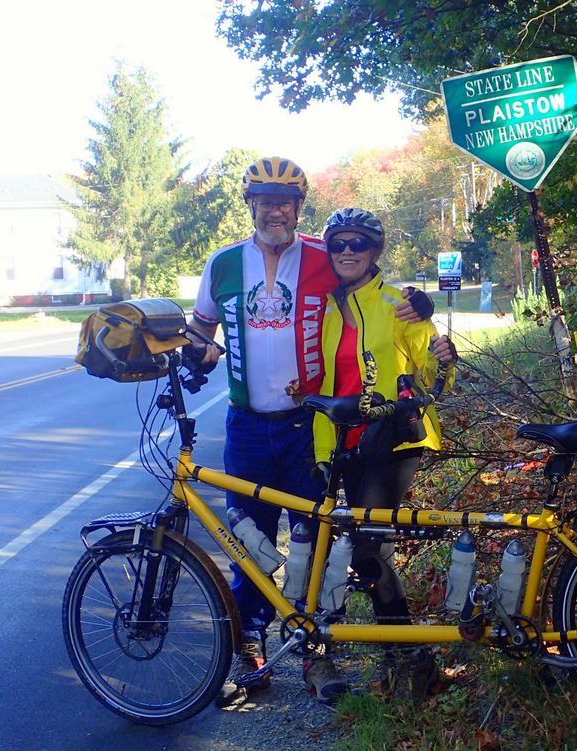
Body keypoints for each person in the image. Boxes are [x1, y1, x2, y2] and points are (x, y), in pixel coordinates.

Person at [188, 157, 434, 708]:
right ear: (249, 206)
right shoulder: (224, 264)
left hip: (309, 426)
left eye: (285, 202)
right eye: (264, 201)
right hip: (247, 424)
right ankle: (248, 648)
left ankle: (316, 656)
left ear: (299, 209)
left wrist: (415, 301)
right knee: (247, 540)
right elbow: (201, 326)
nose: (274, 210)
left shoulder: (325, 257)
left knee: (314, 539)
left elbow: (372, 286)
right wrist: (193, 348)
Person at [312, 208, 457, 702]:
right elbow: (333, 380)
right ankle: (400, 652)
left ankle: (413, 659)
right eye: (339, 244)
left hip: (394, 436)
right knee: (357, 548)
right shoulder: (330, 307)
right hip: (346, 440)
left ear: (375, 252)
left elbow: (433, 372)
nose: (347, 252)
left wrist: (444, 361)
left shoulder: (400, 304)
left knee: (370, 549)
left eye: (359, 244)